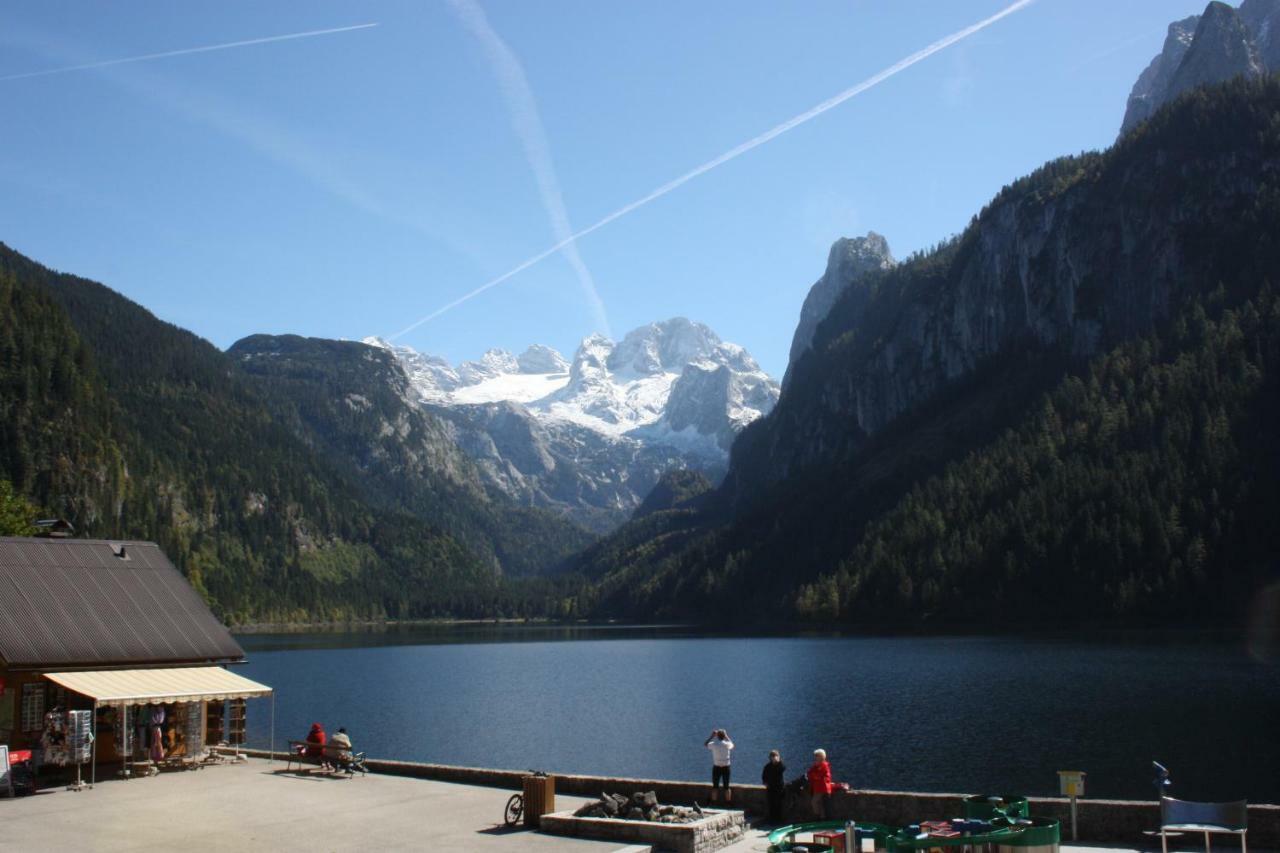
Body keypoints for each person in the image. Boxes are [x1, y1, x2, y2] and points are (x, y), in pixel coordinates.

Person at [704, 728, 735, 804]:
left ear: (717, 736)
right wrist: (726, 736)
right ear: (723, 736)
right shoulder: (727, 744)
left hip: (716, 767)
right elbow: (732, 745)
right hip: (726, 767)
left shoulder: (714, 744)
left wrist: (712, 736)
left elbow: (705, 744)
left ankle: (714, 802)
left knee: (715, 786)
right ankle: (728, 803)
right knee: (726, 787)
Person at [761, 750, 787, 824]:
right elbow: (764, 776)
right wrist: (765, 782)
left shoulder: (780, 765)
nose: (774, 758)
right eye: (772, 756)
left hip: (779, 787)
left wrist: (779, 761)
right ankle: (772, 819)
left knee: (778, 804)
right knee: (771, 804)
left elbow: (783, 768)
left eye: (775, 756)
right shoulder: (767, 766)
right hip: (770, 788)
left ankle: (778, 819)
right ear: (770, 758)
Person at [808, 748, 833, 819]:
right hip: (817, 788)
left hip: (823, 789)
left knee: (815, 802)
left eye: (817, 756)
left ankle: (818, 818)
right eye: (815, 757)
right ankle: (821, 818)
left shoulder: (825, 766)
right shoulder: (815, 766)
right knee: (819, 804)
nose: (815, 758)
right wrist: (814, 776)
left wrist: (815, 776)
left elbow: (824, 777)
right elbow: (809, 774)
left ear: (822, 757)